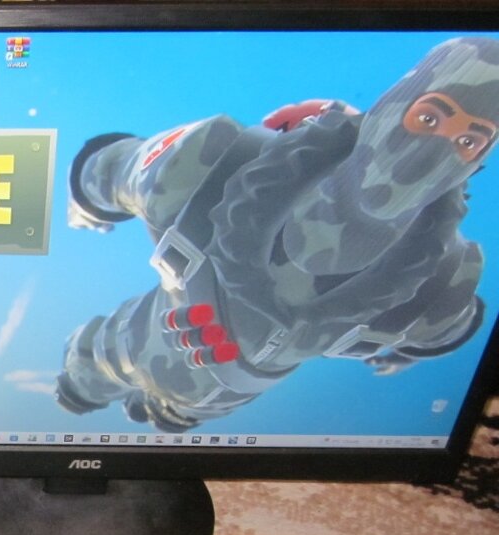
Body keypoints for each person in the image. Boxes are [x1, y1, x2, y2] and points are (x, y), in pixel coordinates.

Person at [56, 37, 499, 432]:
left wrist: (403, 350)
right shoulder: (209, 161)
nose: (427, 156)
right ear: (389, 107)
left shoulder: (439, 285)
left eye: (468, 142)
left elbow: (449, 332)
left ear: (477, 161)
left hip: (216, 400)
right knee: (86, 375)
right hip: (134, 344)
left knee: (163, 410)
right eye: (428, 118)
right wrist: (86, 204)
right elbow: (107, 171)